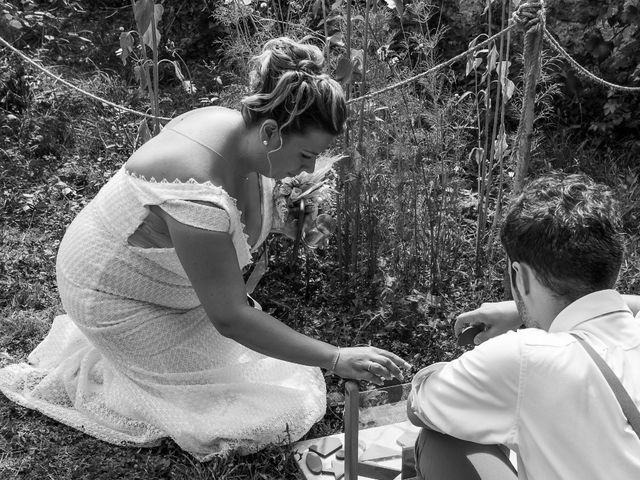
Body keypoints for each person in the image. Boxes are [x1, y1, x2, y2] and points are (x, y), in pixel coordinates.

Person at [0, 37, 409, 461]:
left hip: (170, 284)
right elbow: (231, 318)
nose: (308, 168)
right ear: (271, 131)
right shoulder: (200, 200)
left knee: (276, 372)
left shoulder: (236, 127)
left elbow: (242, 220)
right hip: (110, 293)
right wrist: (335, 357)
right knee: (255, 413)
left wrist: (291, 218)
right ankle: (116, 365)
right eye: (306, 155)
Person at [407, 173, 640, 479]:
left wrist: (520, 312)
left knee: (438, 440)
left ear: (521, 276)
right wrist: (518, 310)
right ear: (617, 264)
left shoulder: (526, 356)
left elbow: (420, 405)